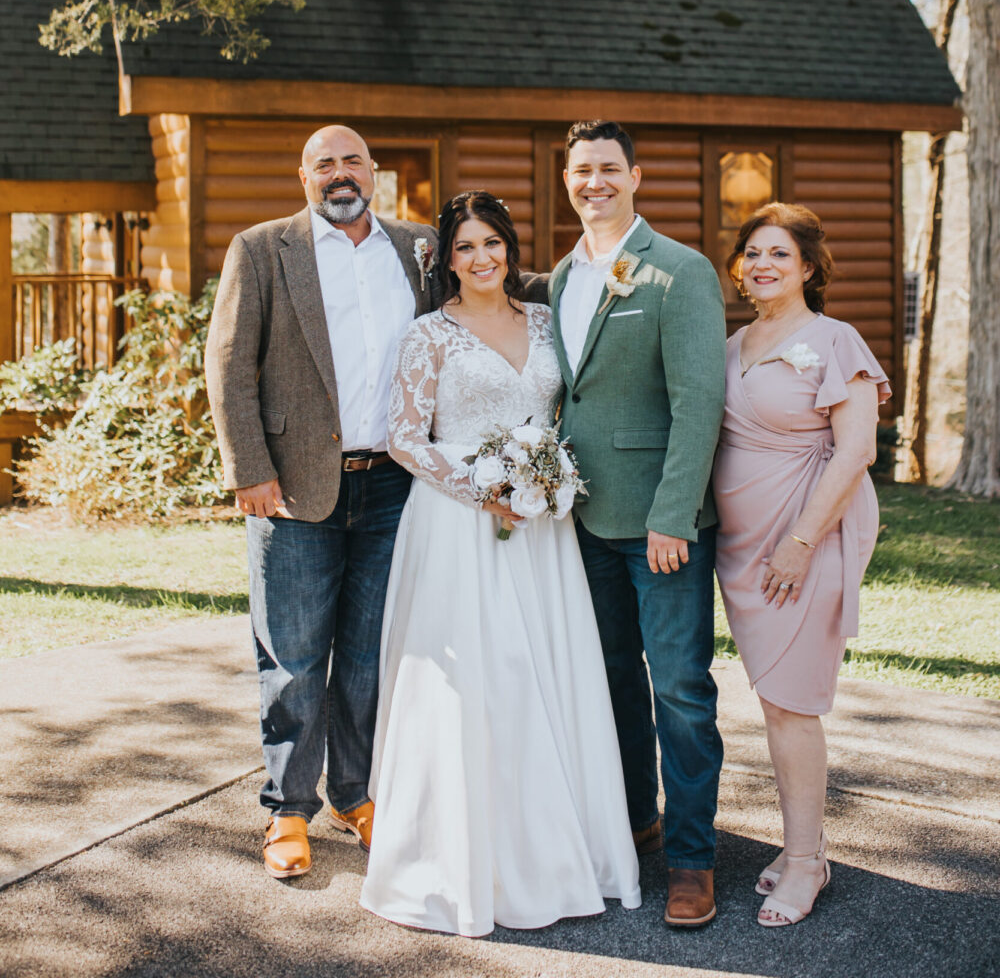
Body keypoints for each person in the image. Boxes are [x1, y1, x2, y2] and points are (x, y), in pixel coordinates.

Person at [360, 191, 641, 938]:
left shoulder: (547, 320)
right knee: (483, 681)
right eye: (466, 248)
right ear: (447, 260)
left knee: (550, 671)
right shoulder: (429, 336)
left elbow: (564, 411)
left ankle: (565, 844)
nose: (481, 258)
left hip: (543, 525)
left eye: (492, 243)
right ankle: (471, 859)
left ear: (510, 249)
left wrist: (543, 475)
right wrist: (482, 489)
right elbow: (403, 437)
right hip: (460, 526)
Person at [205, 124, 439, 880]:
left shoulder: (417, 249)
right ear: (303, 176)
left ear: (375, 172)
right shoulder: (262, 248)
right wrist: (249, 469)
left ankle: (355, 793)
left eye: (353, 162)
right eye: (324, 164)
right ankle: (288, 810)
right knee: (293, 658)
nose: (341, 175)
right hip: (295, 484)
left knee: (369, 656)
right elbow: (230, 366)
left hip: (394, 486)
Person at [550, 120, 727, 929]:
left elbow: (699, 404)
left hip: (661, 527)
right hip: (582, 522)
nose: (595, 182)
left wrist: (674, 516)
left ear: (636, 177)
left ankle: (693, 861)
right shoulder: (561, 277)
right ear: (567, 180)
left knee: (681, 692)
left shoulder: (678, 272)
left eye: (609, 169)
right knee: (613, 683)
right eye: (582, 170)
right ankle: (637, 821)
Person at [713, 201, 889, 929]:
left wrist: (800, 542)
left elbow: (856, 450)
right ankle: (800, 847)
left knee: (793, 701)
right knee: (773, 699)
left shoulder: (836, 339)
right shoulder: (732, 343)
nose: (763, 264)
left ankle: (808, 860)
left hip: (807, 537)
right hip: (742, 546)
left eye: (780, 254)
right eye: (753, 252)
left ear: (809, 268)